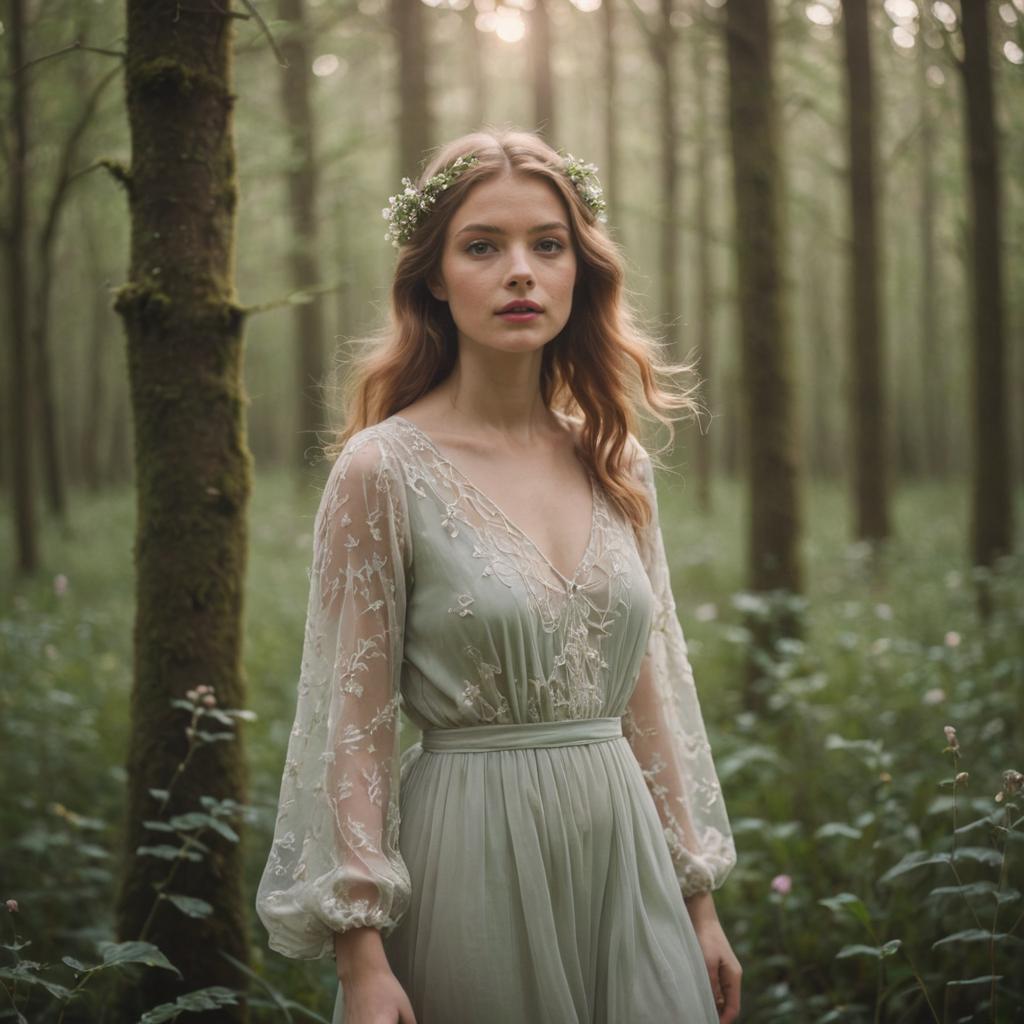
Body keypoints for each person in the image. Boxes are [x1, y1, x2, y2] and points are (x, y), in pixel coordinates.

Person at [255, 128, 741, 1024]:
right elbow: (349, 724)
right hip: (472, 851)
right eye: (484, 246)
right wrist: (362, 959)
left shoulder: (616, 460)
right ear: (435, 276)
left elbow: (650, 690)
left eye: (546, 245)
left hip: (623, 854)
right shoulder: (381, 470)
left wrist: (697, 900)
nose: (520, 271)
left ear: (577, 270)